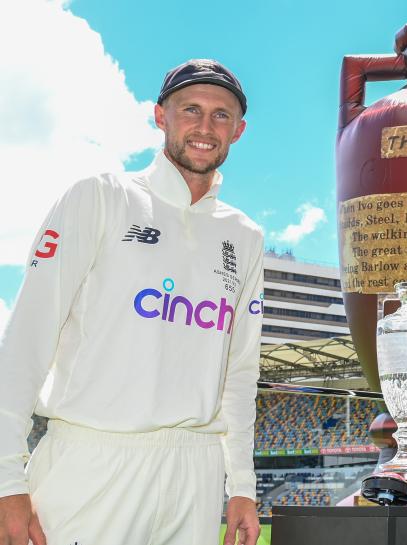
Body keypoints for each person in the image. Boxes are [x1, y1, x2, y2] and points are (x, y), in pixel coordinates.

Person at [0, 59, 263, 545]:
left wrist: (242, 486)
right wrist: (5, 480)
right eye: (190, 110)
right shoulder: (99, 197)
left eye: (221, 115)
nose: (205, 127)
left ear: (239, 131)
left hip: (195, 476)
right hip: (94, 462)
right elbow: (25, 343)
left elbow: (240, 373)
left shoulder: (244, 236)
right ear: (160, 116)